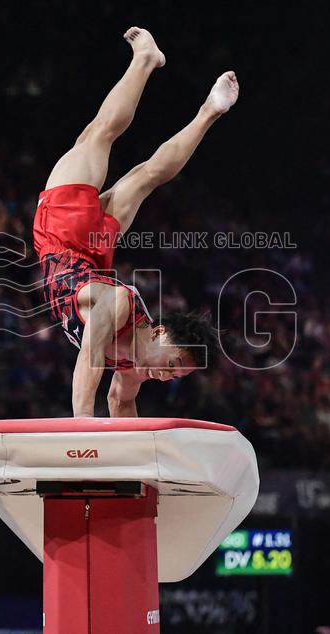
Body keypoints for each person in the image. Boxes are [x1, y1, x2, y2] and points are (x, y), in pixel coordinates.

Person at [32, 27, 235, 417]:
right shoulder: (118, 303)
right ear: (159, 332)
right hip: (63, 233)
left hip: (90, 255)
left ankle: (211, 110)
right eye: (172, 365)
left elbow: (121, 401)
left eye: (174, 377)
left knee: (146, 176)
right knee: (98, 135)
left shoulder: (137, 363)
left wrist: (141, 469)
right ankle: (144, 59)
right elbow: (89, 362)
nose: (164, 376)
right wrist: (84, 431)